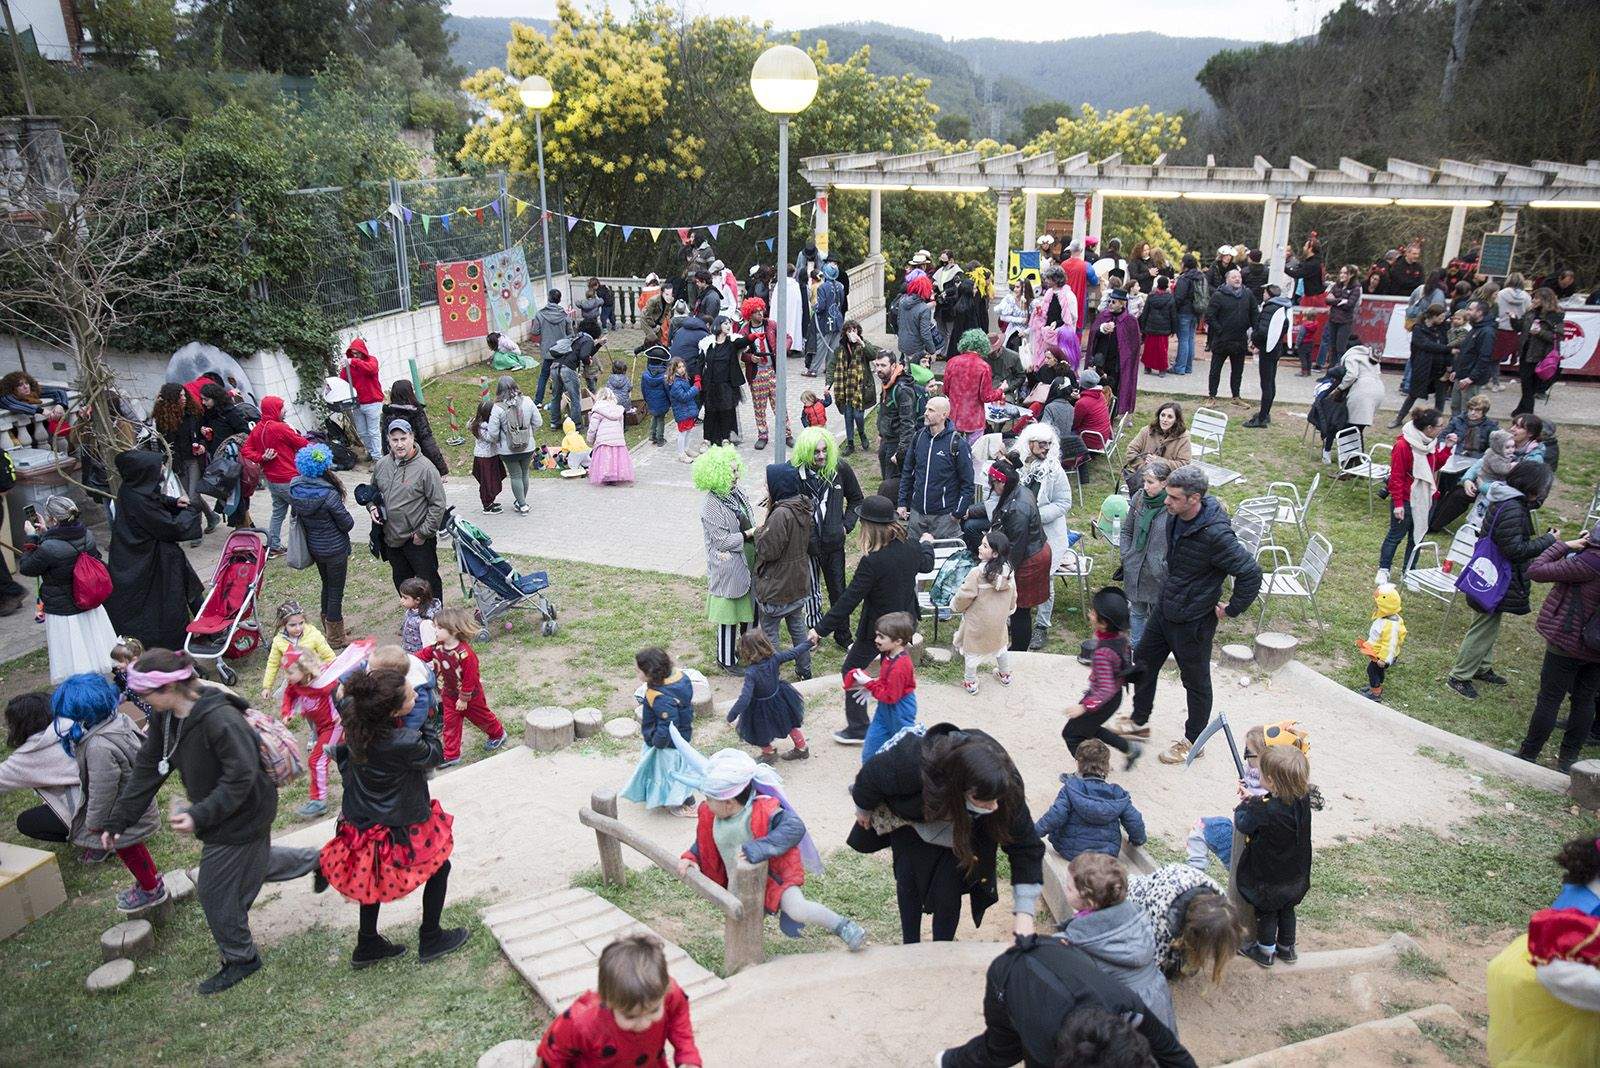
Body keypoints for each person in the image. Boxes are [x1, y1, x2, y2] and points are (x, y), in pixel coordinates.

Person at [104, 649, 322, 995]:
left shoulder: (219, 719)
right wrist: (119, 820)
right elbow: (149, 766)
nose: (140, 701)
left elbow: (241, 777)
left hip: (244, 814)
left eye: (143, 695)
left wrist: (198, 815)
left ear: (167, 690)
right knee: (255, 863)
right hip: (223, 814)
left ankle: (241, 959)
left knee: (215, 890)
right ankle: (320, 861)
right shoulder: (168, 716)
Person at [318, 665, 468, 968]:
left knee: (369, 874)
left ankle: (368, 943)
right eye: (413, 695)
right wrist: (427, 721)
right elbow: (434, 753)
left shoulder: (356, 717)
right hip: (397, 822)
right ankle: (431, 937)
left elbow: (340, 693)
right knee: (440, 867)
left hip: (361, 819)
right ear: (392, 711)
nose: (417, 695)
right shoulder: (404, 742)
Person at [1117, 465, 1262, 764]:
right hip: (1165, 606)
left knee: (1195, 682)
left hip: (1194, 620)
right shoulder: (1175, 516)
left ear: (1194, 499)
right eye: (1167, 495)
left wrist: (1232, 608)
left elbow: (1250, 572)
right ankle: (1139, 721)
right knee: (1143, 661)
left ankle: (1194, 742)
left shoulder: (1217, 535)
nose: (1166, 502)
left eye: (1173, 497)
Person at [851, 722, 1043, 945]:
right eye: (985, 801)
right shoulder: (914, 762)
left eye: (996, 800)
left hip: (963, 834)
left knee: (948, 894)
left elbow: (1027, 848)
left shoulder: (1006, 789)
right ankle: (909, 944)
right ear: (960, 788)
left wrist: (1025, 915)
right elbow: (870, 777)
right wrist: (863, 809)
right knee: (908, 881)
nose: (994, 808)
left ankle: (943, 946)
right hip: (914, 824)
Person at [677, 745, 867, 949]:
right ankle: (744, 959)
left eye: (709, 798)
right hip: (738, 880)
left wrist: (758, 848)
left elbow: (794, 827)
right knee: (741, 918)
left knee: (797, 909)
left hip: (774, 877)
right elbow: (704, 843)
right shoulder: (711, 815)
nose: (705, 803)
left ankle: (843, 926)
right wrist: (691, 857)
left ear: (729, 802)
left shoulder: (764, 810)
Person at [938, 936, 1197, 1067]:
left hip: (1060, 954)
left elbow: (1172, 1053)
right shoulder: (1042, 1042)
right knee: (1001, 1051)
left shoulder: (1125, 1003)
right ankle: (948, 1061)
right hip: (1008, 976)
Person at [808, 496, 933, 746]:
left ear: (868, 525)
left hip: (879, 632)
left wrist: (820, 630)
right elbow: (927, 564)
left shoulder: (872, 562)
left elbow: (848, 600)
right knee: (892, 670)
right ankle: (895, 721)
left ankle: (859, 728)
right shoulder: (910, 546)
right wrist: (926, 544)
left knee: (851, 670)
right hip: (905, 625)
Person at [53, 674, 167, 912]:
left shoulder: (98, 747)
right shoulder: (118, 720)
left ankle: (150, 888)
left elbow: (102, 789)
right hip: (132, 806)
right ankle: (151, 880)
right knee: (135, 848)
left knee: (129, 850)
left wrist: (94, 822)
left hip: (118, 814)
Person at [1446, 461, 1558, 700]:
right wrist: (1548, 540)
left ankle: (1482, 667)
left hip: (1489, 573)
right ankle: (1459, 676)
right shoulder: (1513, 508)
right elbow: (1515, 549)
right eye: (1543, 488)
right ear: (1531, 486)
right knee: (1483, 627)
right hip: (1494, 576)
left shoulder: (1507, 499)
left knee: (1489, 622)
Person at [534, 934, 704, 1067]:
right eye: (631, 1017)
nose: (644, 1024)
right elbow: (552, 1056)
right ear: (608, 1001)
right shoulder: (581, 1022)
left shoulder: (667, 993)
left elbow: (678, 1017)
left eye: (653, 1011)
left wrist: (687, 1055)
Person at [1057, 853, 1176, 1036]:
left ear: (1089, 901)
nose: (1065, 888)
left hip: (1123, 1011)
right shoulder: (1135, 916)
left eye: (1069, 888)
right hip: (1156, 998)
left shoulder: (1083, 939)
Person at [1511, 527, 1600, 771]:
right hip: (1597, 647)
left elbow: (1536, 570)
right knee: (1585, 701)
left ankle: (1529, 753)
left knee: (1550, 698)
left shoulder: (1590, 561)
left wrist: (1564, 546)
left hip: (1568, 639)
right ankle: (1568, 761)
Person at [103, 450, 203, 653]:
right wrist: (192, 511)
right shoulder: (138, 500)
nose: (162, 470)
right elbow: (171, 527)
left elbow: (154, 499)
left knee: (181, 588)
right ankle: (173, 642)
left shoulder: (131, 490)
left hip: (144, 558)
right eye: (158, 467)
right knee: (161, 604)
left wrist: (172, 502)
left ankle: (205, 623)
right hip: (146, 564)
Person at [18, 495, 117, 682]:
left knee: (72, 656)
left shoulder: (48, 548)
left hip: (64, 610)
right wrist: (47, 533)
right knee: (92, 648)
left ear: (53, 519)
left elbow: (27, 567)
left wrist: (32, 537)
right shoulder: (86, 535)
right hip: (88, 604)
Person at [1235, 745, 1314, 968]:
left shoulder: (1265, 810)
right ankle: (1287, 948)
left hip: (1270, 878)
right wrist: (1256, 800)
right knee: (1287, 909)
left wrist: (1246, 804)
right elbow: (1277, 806)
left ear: (1270, 780)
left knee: (1267, 912)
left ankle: (1265, 951)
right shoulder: (1302, 798)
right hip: (1296, 874)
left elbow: (1243, 823)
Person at [791, 427, 862, 648]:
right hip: (807, 545)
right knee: (810, 591)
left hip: (833, 543)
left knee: (838, 591)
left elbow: (857, 499)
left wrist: (845, 526)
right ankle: (813, 636)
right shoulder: (795, 474)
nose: (821, 456)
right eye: (815, 452)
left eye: (824, 451)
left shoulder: (839, 468)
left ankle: (843, 636)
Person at [416, 607, 508, 768]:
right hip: (448, 694)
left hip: (471, 697)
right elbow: (423, 654)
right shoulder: (438, 647)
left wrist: (464, 698)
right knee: (450, 723)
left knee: (482, 718)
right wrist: (405, 659)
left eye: (439, 628)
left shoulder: (465, 654)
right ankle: (451, 755)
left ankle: (498, 734)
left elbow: (471, 679)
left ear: (453, 630)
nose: (435, 631)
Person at [1061, 589, 1143, 766]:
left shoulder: (1103, 653)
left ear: (1104, 623)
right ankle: (1129, 747)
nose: (1090, 613)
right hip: (1112, 696)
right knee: (1089, 728)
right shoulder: (1120, 637)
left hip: (1102, 699)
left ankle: (1091, 772)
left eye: (1093, 612)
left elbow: (1105, 690)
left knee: (1071, 734)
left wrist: (1084, 707)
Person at [1036, 736, 1146, 865]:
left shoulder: (1071, 789)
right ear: (1107, 766)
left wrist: (1034, 832)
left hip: (1070, 851)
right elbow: (1134, 820)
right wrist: (1138, 840)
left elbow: (1055, 815)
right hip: (1107, 854)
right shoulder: (1117, 794)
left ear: (1078, 763)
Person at [284, 443, 353, 647]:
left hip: (315, 547)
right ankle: (335, 636)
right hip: (335, 549)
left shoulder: (296, 489)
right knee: (335, 591)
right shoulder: (328, 494)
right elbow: (347, 523)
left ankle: (329, 627)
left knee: (326, 585)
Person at [1, 691, 89, 850]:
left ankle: (92, 840)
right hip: (126, 803)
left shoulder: (28, 756)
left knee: (26, 822)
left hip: (95, 813)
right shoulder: (72, 725)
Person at [982, 455, 1051, 652]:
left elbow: (1016, 546)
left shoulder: (1018, 508)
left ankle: (1019, 651)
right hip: (1030, 549)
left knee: (1021, 607)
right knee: (1017, 605)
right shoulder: (1017, 491)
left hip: (1030, 557)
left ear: (1001, 482)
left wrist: (1004, 571)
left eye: (993, 484)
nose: (992, 489)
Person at [1127, 864, 1240, 984]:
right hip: (1132, 908)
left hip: (1170, 892)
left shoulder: (1219, 900)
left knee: (1185, 964)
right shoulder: (1162, 921)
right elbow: (1152, 958)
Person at [753, 464, 815, 682]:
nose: (765, 486)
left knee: (769, 633)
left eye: (767, 482)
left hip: (777, 585)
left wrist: (761, 531)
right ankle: (805, 670)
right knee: (798, 626)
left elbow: (768, 551)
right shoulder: (803, 505)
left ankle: (772, 675)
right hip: (797, 582)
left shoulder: (781, 514)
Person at [621, 647, 699, 817]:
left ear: (650, 673)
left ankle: (685, 803)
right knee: (675, 768)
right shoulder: (679, 678)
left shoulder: (660, 696)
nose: (636, 673)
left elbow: (668, 724)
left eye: (638, 670)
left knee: (671, 773)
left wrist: (658, 742)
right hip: (681, 736)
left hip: (667, 743)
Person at [1376, 407, 1451, 583]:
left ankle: (1409, 572)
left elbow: (1433, 467)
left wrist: (1447, 449)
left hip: (1426, 498)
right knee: (1395, 535)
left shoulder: (1431, 444)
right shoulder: (1403, 445)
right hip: (1406, 499)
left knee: (1417, 537)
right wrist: (1398, 504)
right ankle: (1384, 568)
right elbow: (1397, 476)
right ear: (1429, 428)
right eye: (1440, 425)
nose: (1443, 428)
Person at [1016, 423, 1073, 650]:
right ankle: (1018, 617)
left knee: (1045, 578)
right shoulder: (1019, 465)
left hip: (1047, 535)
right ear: (1029, 444)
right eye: (1041, 444)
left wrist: (1036, 515)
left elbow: (1064, 502)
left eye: (1049, 444)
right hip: (1020, 533)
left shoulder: (1055, 470)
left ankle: (1041, 626)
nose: (1046, 448)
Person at [897, 396, 975, 541]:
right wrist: (902, 502)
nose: (926, 412)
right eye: (926, 408)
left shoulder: (957, 443)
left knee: (945, 560)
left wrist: (958, 512)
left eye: (931, 410)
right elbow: (907, 472)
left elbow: (968, 483)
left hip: (944, 518)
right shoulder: (918, 437)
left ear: (944, 415)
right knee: (915, 559)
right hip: (917, 515)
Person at [726, 629, 810, 763]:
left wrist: (732, 715)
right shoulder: (775, 658)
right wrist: (809, 642)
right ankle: (801, 748)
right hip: (780, 698)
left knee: (758, 731)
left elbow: (745, 698)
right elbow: (795, 652)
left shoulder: (751, 673)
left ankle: (769, 753)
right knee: (790, 723)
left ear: (746, 651)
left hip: (760, 707)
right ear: (766, 644)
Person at [847, 610, 919, 762]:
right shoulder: (889, 655)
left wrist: (869, 684)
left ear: (898, 641)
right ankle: (867, 782)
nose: (876, 640)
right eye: (877, 635)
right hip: (885, 708)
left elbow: (891, 696)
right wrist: (871, 686)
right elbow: (886, 683)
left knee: (901, 747)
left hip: (900, 709)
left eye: (881, 637)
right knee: (872, 747)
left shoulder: (900, 666)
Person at [951, 530, 1016, 695]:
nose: (980, 547)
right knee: (1001, 648)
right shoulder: (1008, 572)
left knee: (972, 654)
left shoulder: (977, 573)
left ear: (994, 553)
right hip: (998, 621)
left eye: (984, 546)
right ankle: (1005, 674)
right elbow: (1013, 594)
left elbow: (964, 596)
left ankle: (970, 681)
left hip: (977, 623)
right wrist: (1009, 609)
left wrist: (955, 606)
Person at [278, 649, 341, 817]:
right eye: (285, 672)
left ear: (305, 669)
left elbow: (340, 691)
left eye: (290, 672)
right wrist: (287, 712)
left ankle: (319, 802)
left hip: (334, 726)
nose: (287, 676)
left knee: (316, 760)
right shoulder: (296, 684)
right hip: (320, 727)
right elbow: (289, 695)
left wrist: (341, 714)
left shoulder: (324, 682)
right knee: (351, 756)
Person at [152, 382, 217, 541]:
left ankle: (195, 531)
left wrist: (202, 444)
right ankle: (212, 516)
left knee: (193, 497)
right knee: (188, 494)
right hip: (177, 461)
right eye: (179, 396)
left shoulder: (193, 412)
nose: (184, 398)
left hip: (194, 459)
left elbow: (203, 433)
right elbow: (162, 442)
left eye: (184, 394)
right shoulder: (163, 418)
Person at [1120, 460, 1174, 648]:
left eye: (1150, 482)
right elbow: (1127, 530)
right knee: (1136, 611)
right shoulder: (1139, 498)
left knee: (1158, 615)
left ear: (1165, 483)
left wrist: (1164, 565)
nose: (1145, 486)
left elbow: (1177, 543)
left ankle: (1154, 650)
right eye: (1144, 481)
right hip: (1135, 567)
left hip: (1159, 573)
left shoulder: (1173, 507)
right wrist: (1126, 555)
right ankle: (1136, 648)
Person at [735, 297, 791, 450]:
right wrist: (750, 358)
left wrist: (782, 349)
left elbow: (787, 338)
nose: (760, 313)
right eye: (756, 311)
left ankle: (787, 434)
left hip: (773, 371)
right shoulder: (744, 331)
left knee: (779, 404)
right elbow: (738, 351)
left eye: (761, 310)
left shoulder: (771, 325)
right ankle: (762, 435)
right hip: (756, 374)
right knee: (759, 407)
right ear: (749, 314)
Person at [259, 598, 335, 699]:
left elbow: (329, 656)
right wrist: (267, 687)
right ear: (283, 624)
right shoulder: (279, 641)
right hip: (294, 680)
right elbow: (273, 664)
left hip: (315, 677)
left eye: (301, 623)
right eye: (293, 625)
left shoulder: (313, 634)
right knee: (294, 706)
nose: (298, 628)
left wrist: (335, 673)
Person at [1392, 304, 1454, 426]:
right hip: (1423, 368)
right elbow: (1425, 344)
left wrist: (1448, 363)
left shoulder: (1444, 328)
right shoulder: (1419, 329)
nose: (1443, 320)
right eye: (1440, 317)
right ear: (1433, 316)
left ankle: (1437, 422)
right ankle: (1399, 418)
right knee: (1413, 394)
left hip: (1439, 367)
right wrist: (1447, 349)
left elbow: (1448, 343)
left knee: (1440, 397)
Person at [1203, 267, 1258, 404]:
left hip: (1239, 339)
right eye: (1234, 277)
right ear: (1227, 280)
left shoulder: (1247, 294)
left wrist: (1254, 333)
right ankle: (1212, 396)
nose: (1237, 279)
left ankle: (1236, 396)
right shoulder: (1219, 295)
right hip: (1222, 340)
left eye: (1239, 277)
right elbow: (1210, 316)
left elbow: (1254, 314)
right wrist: (1219, 329)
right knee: (1215, 370)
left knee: (1238, 371)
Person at [1243, 285, 1293, 428]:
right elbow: (1285, 326)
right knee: (1270, 381)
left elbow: (1262, 332)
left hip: (1267, 350)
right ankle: (1265, 412)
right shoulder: (1283, 307)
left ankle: (1262, 417)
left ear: (1268, 294)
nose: (1263, 294)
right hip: (1275, 348)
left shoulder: (1270, 308)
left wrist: (1254, 340)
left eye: (1264, 292)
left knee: (1266, 383)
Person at [1088, 289, 1142, 416]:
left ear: (1122, 304)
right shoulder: (1103, 316)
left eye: (1113, 301)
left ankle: (1111, 413)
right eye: (1109, 301)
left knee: (1114, 388)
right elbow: (1093, 335)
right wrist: (1101, 329)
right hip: (1100, 360)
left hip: (1117, 363)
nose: (1110, 304)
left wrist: (1124, 359)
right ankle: (1095, 413)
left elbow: (1133, 346)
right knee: (1098, 386)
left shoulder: (1130, 321)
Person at [944, 329, 1003, 444]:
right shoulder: (984, 366)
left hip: (954, 416)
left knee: (952, 451)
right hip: (974, 419)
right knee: (974, 453)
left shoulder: (952, 362)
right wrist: (1001, 390)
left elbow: (946, 390)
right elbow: (986, 397)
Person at [1513, 287, 1566, 416]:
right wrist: (1513, 319)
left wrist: (1540, 332)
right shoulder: (1531, 312)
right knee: (1526, 382)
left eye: (1536, 298)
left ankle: (1526, 411)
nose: (1533, 300)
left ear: (1544, 300)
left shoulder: (1555, 316)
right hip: (1526, 350)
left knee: (1529, 383)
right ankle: (1522, 409)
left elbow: (1558, 336)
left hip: (1540, 354)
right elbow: (1521, 327)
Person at [698, 317, 750, 448]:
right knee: (709, 412)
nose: (728, 325)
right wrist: (697, 379)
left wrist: (753, 336)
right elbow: (700, 363)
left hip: (727, 385)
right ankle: (707, 439)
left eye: (729, 323)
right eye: (725, 323)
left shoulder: (732, 341)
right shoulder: (708, 343)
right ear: (718, 325)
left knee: (726, 411)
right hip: (711, 384)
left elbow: (744, 341)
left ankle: (725, 438)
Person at [379, 380, 448, 476]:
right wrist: (441, 468)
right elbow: (427, 441)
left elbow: (385, 442)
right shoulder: (416, 413)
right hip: (416, 462)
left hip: (395, 463)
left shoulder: (387, 414)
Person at [829, 320, 877, 455]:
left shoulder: (863, 344)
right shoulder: (840, 348)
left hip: (860, 387)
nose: (852, 333)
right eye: (849, 330)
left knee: (858, 415)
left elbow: (873, 355)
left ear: (858, 331)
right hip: (845, 388)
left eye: (854, 330)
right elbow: (832, 366)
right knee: (848, 416)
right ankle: (850, 444)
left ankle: (861, 433)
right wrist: (828, 384)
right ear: (845, 332)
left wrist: (861, 342)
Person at [1122, 403, 1191, 492]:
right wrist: (1145, 469)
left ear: (1176, 420)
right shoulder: (1146, 431)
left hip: (1168, 484)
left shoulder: (1183, 438)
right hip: (1143, 480)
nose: (1165, 419)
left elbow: (1184, 464)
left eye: (1170, 417)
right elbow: (1131, 451)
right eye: (1162, 415)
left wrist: (1159, 462)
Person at [1356, 584, 1407, 702]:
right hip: (1378, 653)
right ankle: (1376, 685)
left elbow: (1390, 644)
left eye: (1379, 605)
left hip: (1382, 656)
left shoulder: (1391, 625)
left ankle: (1376, 693)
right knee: (1378, 671)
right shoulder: (1389, 616)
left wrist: (1384, 659)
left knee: (1371, 670)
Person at [873, 354, 919, 478]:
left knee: (892, 483)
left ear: (893, 366)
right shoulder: (888, 382)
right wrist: (881, 433)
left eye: (883, 365)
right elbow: (885, 410)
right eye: (877, 365)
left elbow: (908, 423)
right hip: (886, 440)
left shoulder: (902, 389)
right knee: (886, 479)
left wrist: (901, 451)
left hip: (896, 442)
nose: (879, 369)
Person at [340, 338, 385, 459]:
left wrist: (353, 361)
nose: (355, 356)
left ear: (363, 351)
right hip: (357, 404)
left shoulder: (371, 360)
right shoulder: (349, 365)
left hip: (373, 402)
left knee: (373, 431)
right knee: (362, 432)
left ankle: (377, 458)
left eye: (357, 353)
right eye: (353, 353)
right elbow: (343, 381)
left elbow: (371, 369)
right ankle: (371, 452)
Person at [1451, 299, 1498, 414]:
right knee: (1455, 406)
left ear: (1480, 312)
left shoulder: (1487, 332)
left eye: (1470, 309)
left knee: (1468, 410)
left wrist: (1471, 378)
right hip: (1462, 375)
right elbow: (1465, 352)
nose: (1467, 312)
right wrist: (1456, 370)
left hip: (1471, 379)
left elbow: (1484, 358)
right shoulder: (1476, 328)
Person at [532, 288, 575, 409]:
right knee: (564, 375)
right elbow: (571, 334)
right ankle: (566, 399)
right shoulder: (565, 315)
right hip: (562, 350)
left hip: (548, 350)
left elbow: (535, 331)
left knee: (544, 375)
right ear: (559, 299)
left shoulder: (540, 314)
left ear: (548, 298)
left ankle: (538, 401)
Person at [585, 387, 633, 486]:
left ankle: (606, 475)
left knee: (606, 458)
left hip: (604, 439)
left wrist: (590, 439)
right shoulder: (618, 410)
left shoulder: (598, 410)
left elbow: (593, 428)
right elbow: (621, 425)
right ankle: (616, 476)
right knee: (616, 457)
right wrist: (620, 437)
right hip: (617, 439)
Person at [1339, 344, 1386, 441]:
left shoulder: (1351, 357)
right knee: (1358, 427)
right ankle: (1354, 453)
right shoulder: (1371, 356)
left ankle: (1350, 454)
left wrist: (1340, 388)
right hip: (1378, 390)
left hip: (1362, 391)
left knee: (1350, 428)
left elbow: (1351, 375)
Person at [467, 397, 505, 512]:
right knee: (487, 481)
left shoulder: (476, 423)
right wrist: (495, 428)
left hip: (491, 455)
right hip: (484, 457)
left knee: (493, 479)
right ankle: (487, 505)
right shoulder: (481, 427)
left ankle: (490, 500)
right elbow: (491, 438)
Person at [895, 272, 942, 362]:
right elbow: (925, 333)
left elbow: (899, 322)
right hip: (917, 348)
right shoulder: (924, 309)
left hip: (903, 345)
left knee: (908, 372)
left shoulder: (902, 301)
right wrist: (932, 351)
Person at [1170, 253, 1205, 376]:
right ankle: (1188, 366)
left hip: (1184, 312)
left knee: (1183, 340)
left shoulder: (1185, 279)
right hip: (1196, 312)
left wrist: (1174, 308)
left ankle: (1180, 367)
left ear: (1184, 264)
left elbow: (1179, 297)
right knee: (1190, 339)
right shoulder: (1200, 277)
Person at [809, 261, 844, 377]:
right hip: (838, 320)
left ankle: (813, 370)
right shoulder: (840, 286)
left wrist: (815, 307)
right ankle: (830, 369)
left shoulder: (823, 287)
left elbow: (822, 306)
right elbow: (841, 302)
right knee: (833, 347)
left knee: (822, 346)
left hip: (826, 321)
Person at [1138, 276, 1176, 376]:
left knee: (1149, 348)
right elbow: (1173, 315)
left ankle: (1147, 367)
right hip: (1164, 328)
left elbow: (1145, 312)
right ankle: (1162, 369)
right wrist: (1173, 329)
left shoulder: (1151, 297)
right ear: (1167, 285)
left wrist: (1143, 326)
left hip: (1151, 326)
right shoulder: (1170, 298)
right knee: (1162, 349)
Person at [666, 358, 700, 463]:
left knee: (688, 431)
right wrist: (696, 387)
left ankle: (686, 448)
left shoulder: (682, 379)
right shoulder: (675, 384)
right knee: (683, 433)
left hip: (687, 411)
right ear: (674, 369)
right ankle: (681, 454)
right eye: (679, 367)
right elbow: (684, 397)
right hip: (682, 412)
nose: (682, 369)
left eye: (683, 366)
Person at [397, 577, 440, 656]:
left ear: (417, 600)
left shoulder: (425, 623)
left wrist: (428, 667)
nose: (401, 600)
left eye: (405, 598)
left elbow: (429, 648)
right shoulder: (412, 611)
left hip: (421, 662)